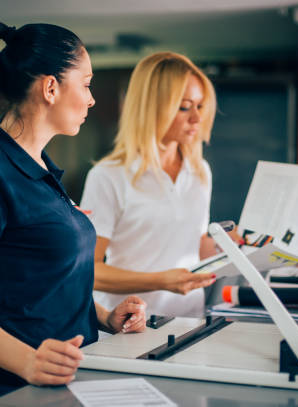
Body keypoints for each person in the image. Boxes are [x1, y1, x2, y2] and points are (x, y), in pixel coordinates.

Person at [0, 21, 146, 406]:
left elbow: (41, 284)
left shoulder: (40, 166)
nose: (92, 98)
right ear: (50, 88)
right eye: (86, 83)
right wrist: (28, 361)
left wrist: (104, 317)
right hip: (14, 387)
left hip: (66, 379)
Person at [80, 52, 241, 318]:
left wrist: (234, 247)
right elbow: (89, 270)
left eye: (200, 106)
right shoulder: (108, 176)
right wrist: (162, 281)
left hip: (189, 319)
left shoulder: (200, 172)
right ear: (152, 107)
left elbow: (196, 246)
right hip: (127, 324)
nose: (196, 119)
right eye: (184, 107)